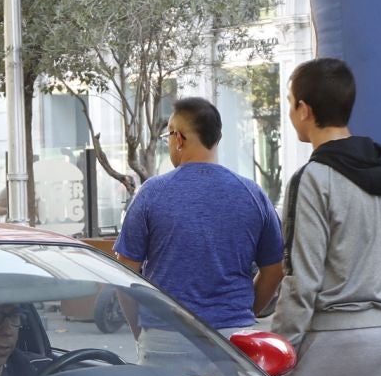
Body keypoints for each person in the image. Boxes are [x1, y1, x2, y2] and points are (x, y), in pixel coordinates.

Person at [270, 57, 381, 376]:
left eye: (290, 103)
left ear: (304, 110)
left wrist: (277, 352)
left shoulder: (312, 179)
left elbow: (302, 280)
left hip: (335, 346)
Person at [114, 96, 284, 339]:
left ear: (179, 138)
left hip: (166, 335)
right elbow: (274, 270)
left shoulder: (151, 193)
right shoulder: (253, 194)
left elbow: (125, 273)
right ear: (217, 138)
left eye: (168, 136)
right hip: (234, 338)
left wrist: (141, 330)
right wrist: (241, 314)